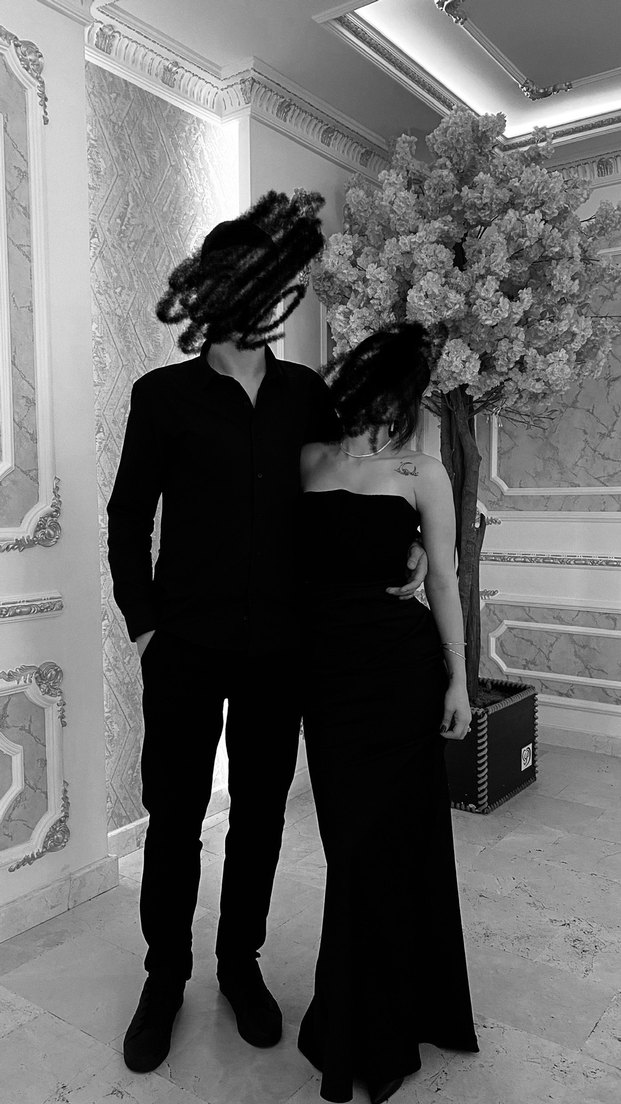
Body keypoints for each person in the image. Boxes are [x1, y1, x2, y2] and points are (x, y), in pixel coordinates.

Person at [106, 192, 429, 1076]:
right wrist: (145, 629)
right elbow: (128, 515)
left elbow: (343, 489)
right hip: (185, 644)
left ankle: (238, 964)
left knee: (257, 816)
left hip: (284, 646)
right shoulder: (162, 397)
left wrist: (407, 544)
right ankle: (164, 976)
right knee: (175, 818)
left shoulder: (307, 397)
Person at [296, 322, 479, 1104]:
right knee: (350, 850)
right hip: (326, 682)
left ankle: (376, 1030)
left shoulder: (421, 471)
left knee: (389, 850)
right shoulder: (308, 459)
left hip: (400, 677)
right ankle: (356, 1015)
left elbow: (442, 579)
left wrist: (459, 681)